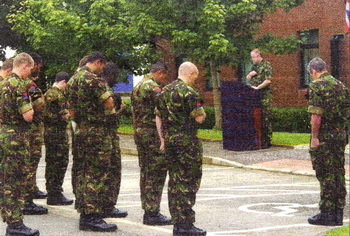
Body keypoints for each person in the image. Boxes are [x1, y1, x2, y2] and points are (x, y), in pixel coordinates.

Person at [66, 51, 118, 232]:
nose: (103, 70)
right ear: (97, 62)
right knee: (96, 173)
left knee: (82, 171)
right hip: (97, 132)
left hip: (81, 131)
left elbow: (71, 111)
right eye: (102, 66)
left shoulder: (72, 80)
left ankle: (83, 209)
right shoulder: (95, 81)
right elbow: (109, 104)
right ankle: (92, 215)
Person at [156, 62, 207, 236]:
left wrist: (162, 139)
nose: (195, 80)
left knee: (174, 181)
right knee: (188, 181)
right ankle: (185, 224)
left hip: (170, 141)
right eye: (196, 76)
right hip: (187, 143)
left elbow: (158, 117)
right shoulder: (190, 93)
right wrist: (203, 113)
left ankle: (177, 221)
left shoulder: (164, 91)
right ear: (191, 74)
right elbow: (199, 119)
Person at [306, 57, 350, 226]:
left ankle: (327, 213)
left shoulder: (316, 86)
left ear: (313, 71)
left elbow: (316, 116)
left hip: (325, 137)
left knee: (325, 175)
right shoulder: (341, 86)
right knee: (338, 172)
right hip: (339, 136)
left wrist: (315, 138)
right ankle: (338, 213)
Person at [0, 52, 39, 236]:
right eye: (30, 69)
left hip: (3, 135)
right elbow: (28, 115)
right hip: (16, 139)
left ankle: (9, 218)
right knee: (16, 181)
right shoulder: (19, 86)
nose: (30, 73)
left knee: (5, 180)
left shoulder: (2, 85)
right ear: (24, 66)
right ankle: (15, 224)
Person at [131, 62, 172, 225]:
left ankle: (148, 209)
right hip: (152, 134)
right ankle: (152, 212)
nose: (163, 80)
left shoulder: (138, 86)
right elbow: (164, 111)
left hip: (140, 132)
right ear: (160, 73)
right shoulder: (153, 88)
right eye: (164, 76)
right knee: (156, 172)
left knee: (146, 172)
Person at [99, 62, 128, 218]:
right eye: (116, 76)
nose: (117, 79)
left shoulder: (97, 86)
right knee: (111, 172)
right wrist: (121, 110)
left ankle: (103, 205)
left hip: (102, 136)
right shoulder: (105, 90)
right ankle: (107, 205)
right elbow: (108, 117)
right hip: (107, 136)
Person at [22, 53, 48, 215]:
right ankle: (27, 200)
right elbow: (39, 104)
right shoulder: (28, 84)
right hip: (30, 130)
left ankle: (27, 197)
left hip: (22, 131)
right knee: (29, 164)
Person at [43, 72, 73, 206]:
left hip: (48, 131)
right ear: (64, 82)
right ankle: (55, 193)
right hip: (58, 133)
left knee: (51, 162)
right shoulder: (59, 96)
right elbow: (65, 116)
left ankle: (51, 192)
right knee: (60, 162)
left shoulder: (48, 93)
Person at [246, 49, 273, 149]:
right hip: (254, 96)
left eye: (253, 57)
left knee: (265, 118)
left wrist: (257, 88)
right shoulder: (254, 67)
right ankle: (259, 140)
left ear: (259, 56)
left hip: (264, 96)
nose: (252, 59)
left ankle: (267, 141)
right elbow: (248, 79)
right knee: (257, 119)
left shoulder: (266, 65)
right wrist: (250, 74)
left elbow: (268, 80)